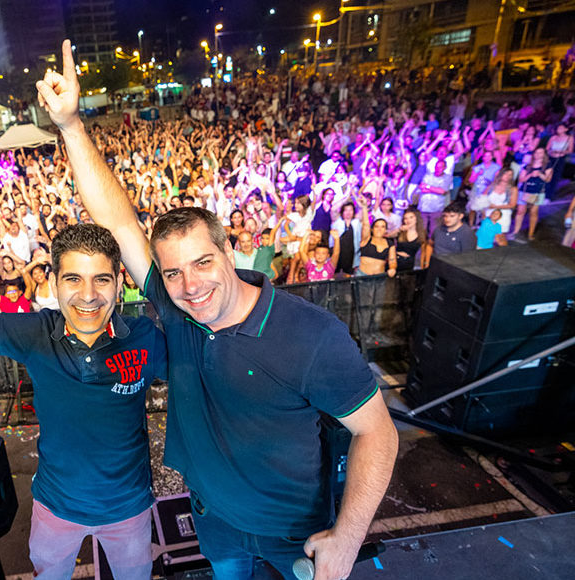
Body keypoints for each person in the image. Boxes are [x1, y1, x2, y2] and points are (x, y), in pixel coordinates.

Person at [37, 39, 398, 580]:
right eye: (173, 272)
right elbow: (117, 222)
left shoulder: (311, 334)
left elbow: (378, 433)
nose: (190, 285)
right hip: (214, 522)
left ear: (229, 253)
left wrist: (347, 538)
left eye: (203, 262)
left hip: (293, 533)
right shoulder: (177, 310)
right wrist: (70, 126)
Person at [0, 189, 167, 580]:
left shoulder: (145, 336)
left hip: (128, 510)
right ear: (54, 282)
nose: (89, 296)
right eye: (73, 279)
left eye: (102, 279)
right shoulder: (35, 333)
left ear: (119, 283)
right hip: (55, 509)